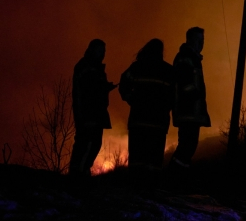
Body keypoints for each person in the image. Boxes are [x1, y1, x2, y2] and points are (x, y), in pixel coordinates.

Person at [119, 39, 174, 178]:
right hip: (158, 124)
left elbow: (123, 83)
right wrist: (167, 107)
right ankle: (151, 187)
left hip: (138, 121)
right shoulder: (168, 70)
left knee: (138, 159)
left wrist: (131, 99)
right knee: (154, 160)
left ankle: (135, 189)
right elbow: (174, 95)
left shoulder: (137, 67)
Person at [69, 39, 117, 176]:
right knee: (86, 142)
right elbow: (89, 89)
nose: (103, 54)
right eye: (100, 50)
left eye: (104, 51)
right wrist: (104, 88)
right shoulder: (86, 66)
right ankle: (78, 172)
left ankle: (82, 170)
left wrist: (105, 87)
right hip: (88, 111)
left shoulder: (94, 67)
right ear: (92, 50)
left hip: (96, 112)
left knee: (94, 143)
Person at [168, 27, 211, 173]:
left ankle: (178, 180)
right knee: (186, 147)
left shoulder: (192, 58)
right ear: (190, 40)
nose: (201, 43)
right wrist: (195, 95)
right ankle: (172, 178)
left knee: (189, 147)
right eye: (198, 40)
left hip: (193, 112)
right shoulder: (185, 57)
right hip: (187, 111)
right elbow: (184, 83)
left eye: (202, 40)